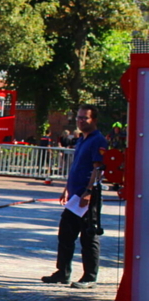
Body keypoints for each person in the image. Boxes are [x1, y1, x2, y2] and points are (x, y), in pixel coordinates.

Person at [41, 104, 107, 289]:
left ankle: (90, 277)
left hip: (87, 197)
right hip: (75, 197)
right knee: (66, 234)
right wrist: (66, 188)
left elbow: (98, 169)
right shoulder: (81, 139)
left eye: (84, 118)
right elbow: (77, 166)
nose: (80, 121)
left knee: (89, 236)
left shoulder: (98, 140)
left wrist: (89, 191)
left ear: (93, 119)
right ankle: (63, 272)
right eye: (78, 117)